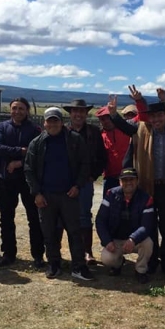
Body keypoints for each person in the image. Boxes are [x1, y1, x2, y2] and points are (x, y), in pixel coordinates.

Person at [108, 85, 165, 276]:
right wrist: (113, 114)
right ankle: (151, 262)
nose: (157, 119)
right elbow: (123, 126)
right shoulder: (140, 130)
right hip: (147, 187)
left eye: (160, 115)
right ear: (148, 118)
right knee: (149, 226)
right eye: (153, 116)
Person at [24, 107, 94, 281]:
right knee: (49, 232)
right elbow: (29, 169)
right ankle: (53, 264)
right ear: (44, 123)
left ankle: (78, 266)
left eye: (56, 120)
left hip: (69, 194)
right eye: (49, 121)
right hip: (46, 196)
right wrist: (36, 193)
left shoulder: (75, 140)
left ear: (62, 122)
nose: (53, 124)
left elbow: (85, 164)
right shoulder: (37, 143)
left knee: (74, 231)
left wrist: (78, 185)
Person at [0, 97, 44, 268]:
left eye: (21, 108)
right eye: (14, 108)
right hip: (7, 180)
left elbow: (37, 153)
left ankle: (37, 255)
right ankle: (8, 254)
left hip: (28, 180)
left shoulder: (34, 129)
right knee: (6, 218)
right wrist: (21, 151)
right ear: (10, 110)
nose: (17, 111)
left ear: (27, 111)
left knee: (34, 218)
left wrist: (18, 162)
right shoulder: (2, 127)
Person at [63, 99, 107, 266]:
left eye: (81, 111)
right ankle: (62, 253)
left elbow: (102, 158)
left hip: (85, 183)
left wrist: (93, 176)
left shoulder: (94, 132)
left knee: (84, 217)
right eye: (75, 111)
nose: (78, 114)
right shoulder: (62, 131)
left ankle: (87, 251)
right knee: (61, 217)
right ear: (70, 113)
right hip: (65, 182)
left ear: (86, 113)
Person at [96, 167, 155, 284]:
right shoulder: (110, 194)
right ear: (119, 182)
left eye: (131, 179)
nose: (128, 183)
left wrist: (133, 239)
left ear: (137, 181)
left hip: (135, 241)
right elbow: (100, 220)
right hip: (116, 240)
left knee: (148, 243)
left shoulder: (146, 198)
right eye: (125, 180)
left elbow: (147, 226)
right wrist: (107, 241)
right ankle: (117, 264)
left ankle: (140, 270)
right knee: (106, 258)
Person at [96, 102, 132, 193]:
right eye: (103, 119)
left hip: (128, 176)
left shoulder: (126, 130)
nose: (106, 121)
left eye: (108, 117)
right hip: (109, 177)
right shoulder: (99, 136)